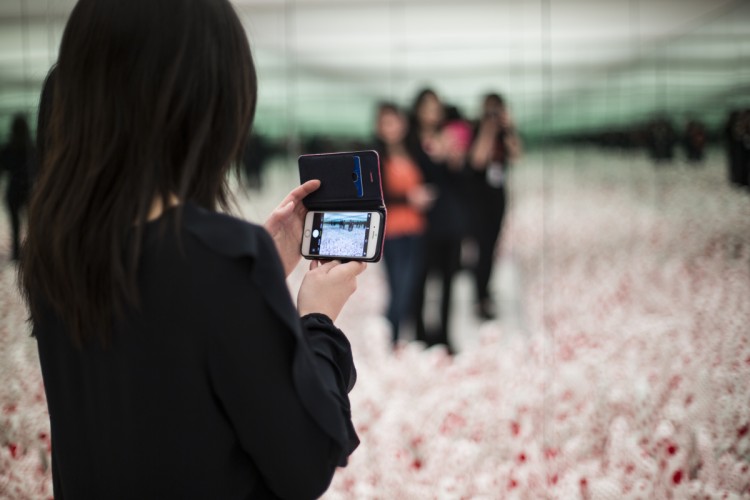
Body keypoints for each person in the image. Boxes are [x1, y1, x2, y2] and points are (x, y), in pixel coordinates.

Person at [19, 1, 366, 498]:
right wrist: (318, 320)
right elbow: (306, 462)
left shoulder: (55, 248)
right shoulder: (219, 261)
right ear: (208, 100)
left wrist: (257, 270)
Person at [407, 89, 467, 354]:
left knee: (447, 282)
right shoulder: (409, 141)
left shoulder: (449, 137)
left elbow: (462, 179)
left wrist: (453, 158)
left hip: (450, 219)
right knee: (419, 280)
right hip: (419, 222)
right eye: (428, 106)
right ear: (418, 109)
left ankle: (444, 334)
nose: (433, 112)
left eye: (437, 107)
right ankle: (420, 333)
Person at [374, 102, 434, 346]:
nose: (392, 127)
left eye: (395, 121)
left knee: (411, 287)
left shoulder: (414, 153)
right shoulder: (377, 158)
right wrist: (408, 197)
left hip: (416, 228)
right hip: (392, 231)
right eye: (386, 123)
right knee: (399, 286)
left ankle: (399, 338)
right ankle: (392, 337)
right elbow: (377, 194)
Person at [467, 93, 522, 319]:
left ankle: (485, 291)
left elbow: (517, 155)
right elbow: (478, 160)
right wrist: (488, 130)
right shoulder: (475, 130)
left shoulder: (505, 131)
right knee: (480, 248)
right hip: (478, 198)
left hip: (497, 196)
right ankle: (479, 296)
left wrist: (509, 128)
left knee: (491, 247)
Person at [0, 114, 35, 261]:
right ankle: (33, 251)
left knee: (16, 225)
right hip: (29, 190)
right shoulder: (31, 148)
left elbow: (2, 169)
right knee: (32, 224)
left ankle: (16, 253)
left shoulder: (8, 148)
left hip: (13, 190)